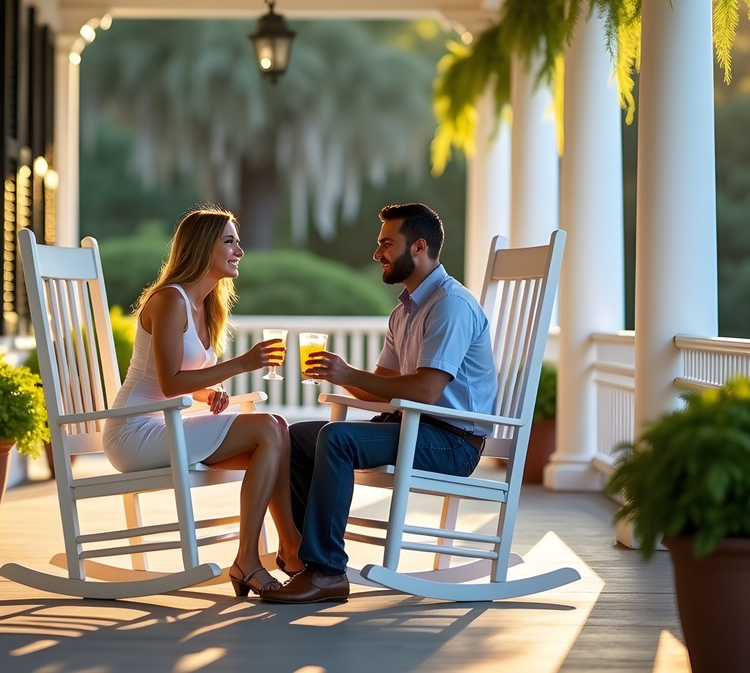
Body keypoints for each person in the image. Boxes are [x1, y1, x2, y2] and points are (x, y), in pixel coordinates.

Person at [263, 203, 498, 604]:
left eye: (387, 244)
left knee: (336, 439)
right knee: (294, 437)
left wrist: (351, 376)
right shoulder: (404, 312)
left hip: (452, 441)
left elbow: (424, 391)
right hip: (410, 427)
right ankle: (306, 559)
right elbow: (382, 388)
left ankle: (327, 571)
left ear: (419, 247)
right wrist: (341, 373)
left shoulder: (450, 305)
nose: (377, 255)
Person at [103, 206, 302, 598]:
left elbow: (180, 381)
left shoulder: (208, 305)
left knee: (277, 431)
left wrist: (206, 392)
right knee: (269, 427)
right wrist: (240, 364)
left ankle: (285, 547)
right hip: (133, 431)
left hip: (165, 423)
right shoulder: (168, 301)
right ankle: (260, 556)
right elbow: (167, 380)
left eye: (238, 241)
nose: (239, 250)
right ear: (201, 247)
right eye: (229, 241)